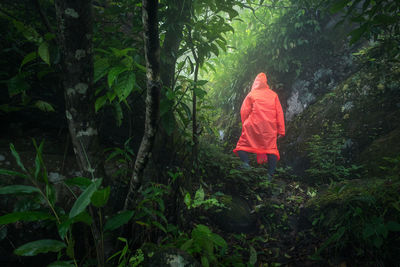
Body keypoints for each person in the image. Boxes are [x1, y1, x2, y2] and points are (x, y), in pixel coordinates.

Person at [233, 72, 285, 179]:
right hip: (269, 128)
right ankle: (270, 175)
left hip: (252, 125)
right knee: (271, 150)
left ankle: (246, 163)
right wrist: (281, 130)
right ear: (266, 83)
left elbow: (244, 111)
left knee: (241, 146)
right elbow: (279, 113)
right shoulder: (273, 95)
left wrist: (245, 124)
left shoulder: (251, 94)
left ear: (255, 83)